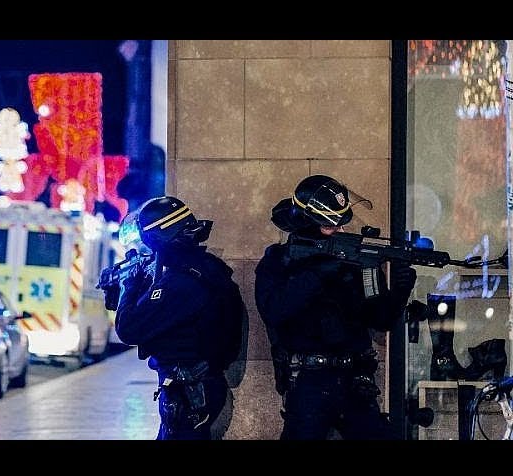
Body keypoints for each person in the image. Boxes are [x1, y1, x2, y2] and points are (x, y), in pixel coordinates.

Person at [254, 174, 416, 440]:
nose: (340, 231)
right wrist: (317, 275)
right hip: (307, 381)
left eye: (341, 224)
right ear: (307, 223)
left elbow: (380, 319)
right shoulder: (279, 261)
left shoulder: (355, 262)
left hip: (354, 380)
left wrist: (400, 291)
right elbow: (274, 310)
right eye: (330, 226)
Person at [102, 196, 244, 440]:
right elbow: (158, 314)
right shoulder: (203, 268)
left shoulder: (180, 282)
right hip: (196, 386)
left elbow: (129, 329)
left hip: (190, 392)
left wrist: (129, 287)